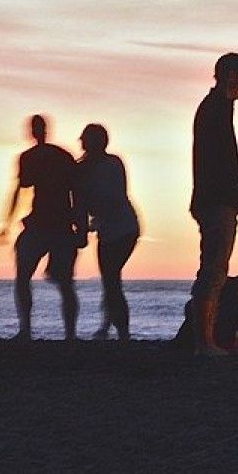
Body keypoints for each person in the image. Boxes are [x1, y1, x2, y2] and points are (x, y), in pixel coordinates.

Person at [189, 52, 238, 356]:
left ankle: (205, 340)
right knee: (213, 270)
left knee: (214, 268)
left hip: (217, 199)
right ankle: (204, 342)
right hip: (216, 201)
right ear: (231, 76)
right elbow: (222, 165)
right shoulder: (215, 110)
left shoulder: (218, 109)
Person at [0, 114, 84, 340]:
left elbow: (75, 193)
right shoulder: (57, 156)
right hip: (49, 224)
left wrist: (80, 226)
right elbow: (76, 193)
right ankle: (40, 330)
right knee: (49, 281)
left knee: (52, 281)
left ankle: (38, 330)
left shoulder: (39, 157)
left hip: (54, 225)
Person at [76, 123, 141, 341]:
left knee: (112, 279)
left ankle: (121, 331)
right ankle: (108, 326)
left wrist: (87, 227)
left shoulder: (111, 164)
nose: (81, 143)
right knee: (110, 279)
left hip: (123, 228)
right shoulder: (85, 168)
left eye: (85, 139)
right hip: (109, 228)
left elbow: (113, 197)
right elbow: (82, 203)